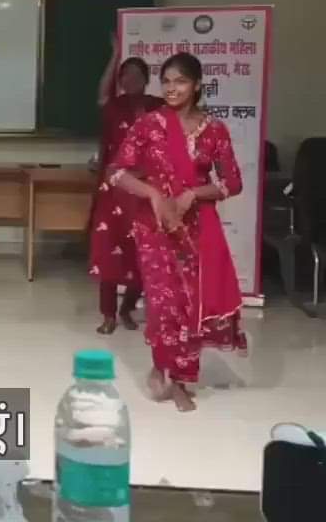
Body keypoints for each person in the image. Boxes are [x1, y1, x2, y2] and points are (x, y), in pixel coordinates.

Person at [107, 52, 246, 412]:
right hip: (152, 227)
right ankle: (164, 367)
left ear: (197, 85)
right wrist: (153, 193)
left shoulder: (214, 130)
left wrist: (193, 194)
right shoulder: (149, 125)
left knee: (190, 303)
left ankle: (182, 377)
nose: (171, 89)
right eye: (166, 82)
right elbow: (117, 172)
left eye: (180, 81)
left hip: (196, 227)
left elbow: (232, 183)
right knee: (163, 302)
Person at [89, 39, 163, 335]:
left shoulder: (158, 108)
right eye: (125, 75)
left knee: (142, 253)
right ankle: (108, 315)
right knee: (107, 251)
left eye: (136, 74)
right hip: (113, 189)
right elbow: (100, 91)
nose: (130, 79)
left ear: (146, 80)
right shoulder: (113, 106)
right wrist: (115, 55)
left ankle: (128, 308)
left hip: (144, 189)